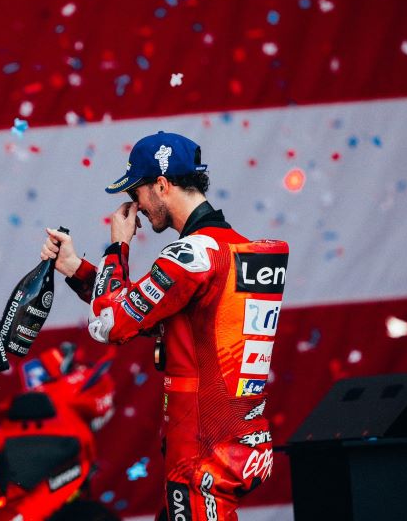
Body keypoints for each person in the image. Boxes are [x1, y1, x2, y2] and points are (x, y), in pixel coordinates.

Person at [41, 131, 289, 521]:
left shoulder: (191, 255)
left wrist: (117, 247)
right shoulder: (234, 251)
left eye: (136, 192)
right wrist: (75, 268)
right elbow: (148, 317)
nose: (135, 207)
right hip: (239, 439)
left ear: (161, 185)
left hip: (201, 453)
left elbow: (109, 324)